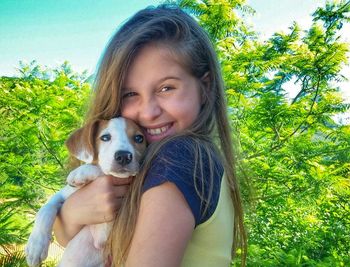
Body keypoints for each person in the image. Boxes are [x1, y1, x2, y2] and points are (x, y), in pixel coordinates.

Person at [53, 4, 247, 266]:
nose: (148, 112)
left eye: (167, 87)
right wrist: (73, 213)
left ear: (204, 87)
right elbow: (76, 240)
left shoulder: (179, 158)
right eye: (130, 94)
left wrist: (69, 217)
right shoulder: (179, 159)